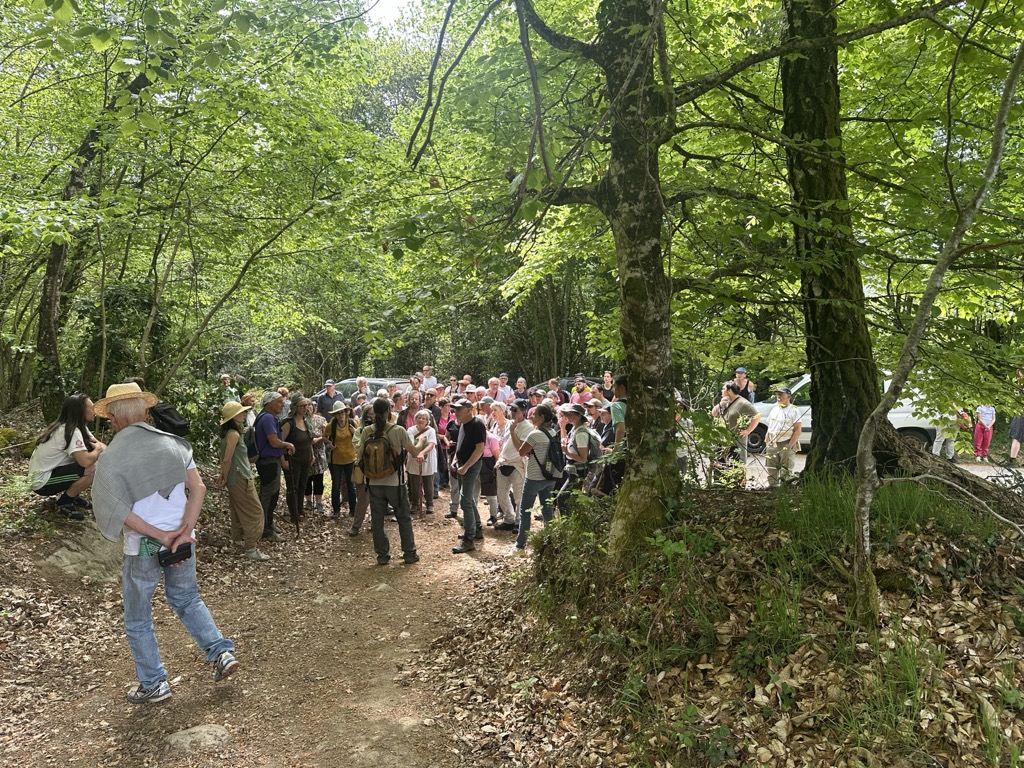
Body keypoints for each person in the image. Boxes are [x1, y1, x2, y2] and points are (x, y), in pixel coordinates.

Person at [90, 382, 238, 704]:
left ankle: (154, 683)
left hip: (144, 546)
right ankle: (220, 653)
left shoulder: (111, 458)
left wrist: (159, 536)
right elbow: (198, 488)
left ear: (114, 418)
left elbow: (117, 509)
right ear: (146, 412)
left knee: (138, 617)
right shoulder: (173, 444)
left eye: (110, 416)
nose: (110, 421)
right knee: (187, 598)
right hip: (183, 540)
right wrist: (184, 532)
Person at [356, 397, 422, 565]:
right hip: (395, 483)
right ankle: (409, 553)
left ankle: (382, 556)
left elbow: (360, 455)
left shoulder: (367, 431)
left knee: (377, 521)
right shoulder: (398, 430)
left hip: (373, 483)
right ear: (388, 411)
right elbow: (414, 452)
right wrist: (421, 441)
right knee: (403, 518)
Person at [28, 392, 107, 520]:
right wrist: (97, 450)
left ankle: (73, 495)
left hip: (53, 473)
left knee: (93, 465)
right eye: (91, 408)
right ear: (81, 411)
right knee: (93, 469)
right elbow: (86, 462)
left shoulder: (77, 427)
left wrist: (98, 448)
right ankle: (65, 502)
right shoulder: (70, 431)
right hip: (42, 483)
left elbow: (103, 447)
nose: (94, 411)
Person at [216, 401, 268, 561]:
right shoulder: (233, 434)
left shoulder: (230, 433)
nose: (244, 414)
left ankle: (239, 541)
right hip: (240, 477)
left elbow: (225, 459)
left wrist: (223, 475)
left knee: (239, 510)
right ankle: (251, 547)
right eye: (241, 412)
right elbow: (227, 459)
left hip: (237, 476)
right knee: (255, 512)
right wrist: (224, 476)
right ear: (233, 417)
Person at [508, 403, 560, 556]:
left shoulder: (535, 435)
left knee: (525, 511)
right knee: (547, 510)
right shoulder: (553, 433)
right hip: (550, 477)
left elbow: (521, 451)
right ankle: (550, 542)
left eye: (534, 414)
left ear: (542, 418)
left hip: (534, 478)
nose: (531, 416)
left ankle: (520, 546)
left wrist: (512, 432)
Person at [253, 391, 294, 542]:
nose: (282, 405)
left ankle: (268, 523)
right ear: (270, 404)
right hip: (268, 461)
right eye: (279, 402)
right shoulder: (268, 418)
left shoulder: (265, 416)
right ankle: (265, 529)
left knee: (272, 494)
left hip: (269, 460)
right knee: (269, 495)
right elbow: (274, 441)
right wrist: (287, 444)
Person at [451, 398, 486, 554]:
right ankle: (476, 529)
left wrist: (465, 467)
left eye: (459, 409)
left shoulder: (477, 424)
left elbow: (480, 449)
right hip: (462, 464)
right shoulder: (463, 424)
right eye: (455, 409)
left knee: (465, 501)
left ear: (468, 409)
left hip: (470, 465)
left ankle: (469, 538)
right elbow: (460, 445)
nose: (456, 412)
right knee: (468, 498)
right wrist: (455, 460)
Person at [555, 402, 599, 515]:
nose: (568, 416)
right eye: (567, 414)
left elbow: (583, 458)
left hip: (579, 472)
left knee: (562, 499)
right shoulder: (575, 429)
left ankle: (569, 523)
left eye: (571, 414)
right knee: (570, 500)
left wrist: (566, 452)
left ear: (579, 415)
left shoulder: (581, 433)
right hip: (574, 472)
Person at [280, 398, 315, 534]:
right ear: (295, 407)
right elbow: (280, 443)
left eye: (306, 405)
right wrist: (283, 460)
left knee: (302, 485)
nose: (305, 408)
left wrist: (312, 455)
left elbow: (309, 440)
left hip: (306, 459)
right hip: (293, 460)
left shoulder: (307, 421)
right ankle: (294, 513)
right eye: (302, 406)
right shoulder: (289, 423)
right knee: (293, 487)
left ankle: (300, 510)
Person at [324, 401, 358, 518]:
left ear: (346, 412)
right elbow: (324, 436)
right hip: (335, 460)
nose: (341, 415)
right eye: (338, 413)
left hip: (350, 458)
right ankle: (336, 510)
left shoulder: (352, 423)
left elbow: (360, 436)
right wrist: (329, 443)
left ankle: (353, 510)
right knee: (336, 486)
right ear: (334, 415)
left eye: (342, 412)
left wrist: (355, 433)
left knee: (351, 485)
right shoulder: (331, 425)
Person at [764, 386, 802, 487]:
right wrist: (768, 442)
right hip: (773, 442)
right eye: (777, 394)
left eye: (781, 394)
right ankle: (772, 487)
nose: (779, 396)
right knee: (771, 468)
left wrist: (790, 445)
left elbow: (798, 430)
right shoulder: (774, 409)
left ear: (788, 396)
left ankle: (785, 489)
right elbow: (770, 426)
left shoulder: (794, 410)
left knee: (786, 469)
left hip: (786, 441)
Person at [715, 381, 761, 464]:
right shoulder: (725, 402)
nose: (721, 391)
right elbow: (713, 413)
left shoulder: (743, 403)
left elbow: (757, 416)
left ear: (729, 391)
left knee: (736, 465)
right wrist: (721, 404)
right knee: (720, 465)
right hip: (723, 440)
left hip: (736, 441)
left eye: (723, 389)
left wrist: (748, 430)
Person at [407, 409, 437, 517]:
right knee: (414, 483)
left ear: (427, 420)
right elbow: (411, 445)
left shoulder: (431, 430)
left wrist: (422, 453)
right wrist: (418, 452)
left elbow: (431, 444)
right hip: (413, 459)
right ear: (415, 419)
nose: (421, 420)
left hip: (428, 460)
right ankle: (414, 504)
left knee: (428, 482)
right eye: (419, 418)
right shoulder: (410, 430)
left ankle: (430, 504)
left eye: (423, 418)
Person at [305, 402, 329, 513]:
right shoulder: (301, 420)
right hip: (306, 452)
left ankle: (319, 502)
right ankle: (308, 501)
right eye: (306, 406)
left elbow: (326, 435)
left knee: (318, 478)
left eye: (310, 405)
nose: (308, 408)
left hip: (319, 452)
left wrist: (317, 439)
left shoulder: (321, 419)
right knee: (307, 478)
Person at [1009, 370, 1024, 467]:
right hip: (1020, 413)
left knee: (1017, 437)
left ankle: (1012, 460)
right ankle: (1012, 460)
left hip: (1021, 413)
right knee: (1017, 437)